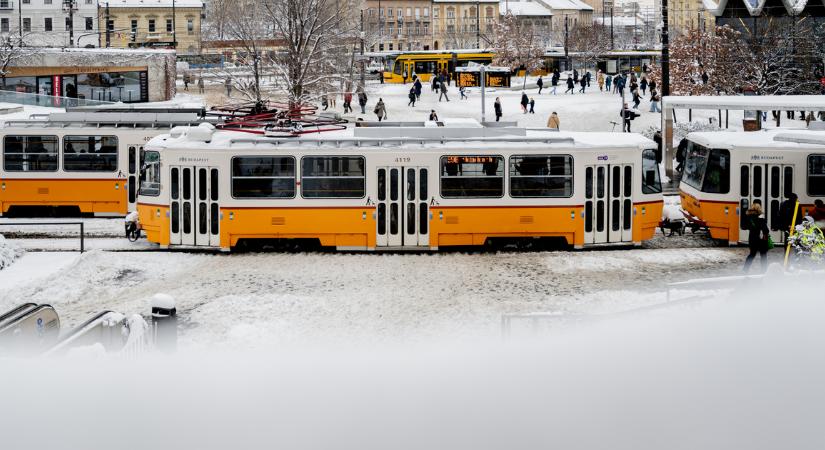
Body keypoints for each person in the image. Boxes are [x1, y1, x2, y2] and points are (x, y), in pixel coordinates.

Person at [743, 201, 770, 273]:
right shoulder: (761, 218)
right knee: (763, 255)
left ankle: (745, 269)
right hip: (761, 240)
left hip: (752, 239)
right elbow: (766, 230)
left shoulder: (748, 218)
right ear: (759, 209)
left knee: (752, 254)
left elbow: (744, 227)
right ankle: (764, 271)